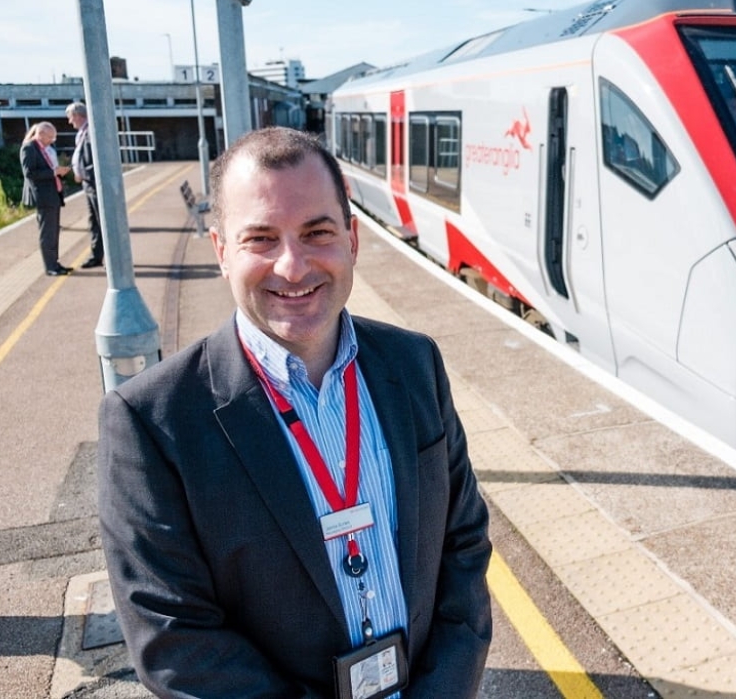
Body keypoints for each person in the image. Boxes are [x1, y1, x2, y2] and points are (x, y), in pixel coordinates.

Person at [98, 127, 492, 698]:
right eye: (260, 239)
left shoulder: (414, 364)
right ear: (221, 251)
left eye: (317, 232)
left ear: (352, 240)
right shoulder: (151, 421)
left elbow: (464, 544)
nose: (292, 266)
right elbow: (174, 638)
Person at [20, 121, 72, 276]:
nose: (52, 140)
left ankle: (55, 263)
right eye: (50, 137)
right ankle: (50, 267)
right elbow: (29, 173)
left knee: (54, 231)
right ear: (40, 134)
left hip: (53, 194)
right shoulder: (29, 148)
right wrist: (54, 172)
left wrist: (57, 172)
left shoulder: (47, 148)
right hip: (43, 195)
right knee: (47, 233)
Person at [65, 102, 103, 268]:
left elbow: (94, 160)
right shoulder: (82, 133)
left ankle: (108, 257)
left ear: (79, 116)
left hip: (93, 182)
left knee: (101, 220)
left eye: (70, 117)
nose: (69, 121)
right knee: (94, 220)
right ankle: (97, 255)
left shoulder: (90, 132)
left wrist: (84, 174)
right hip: (88, 183)